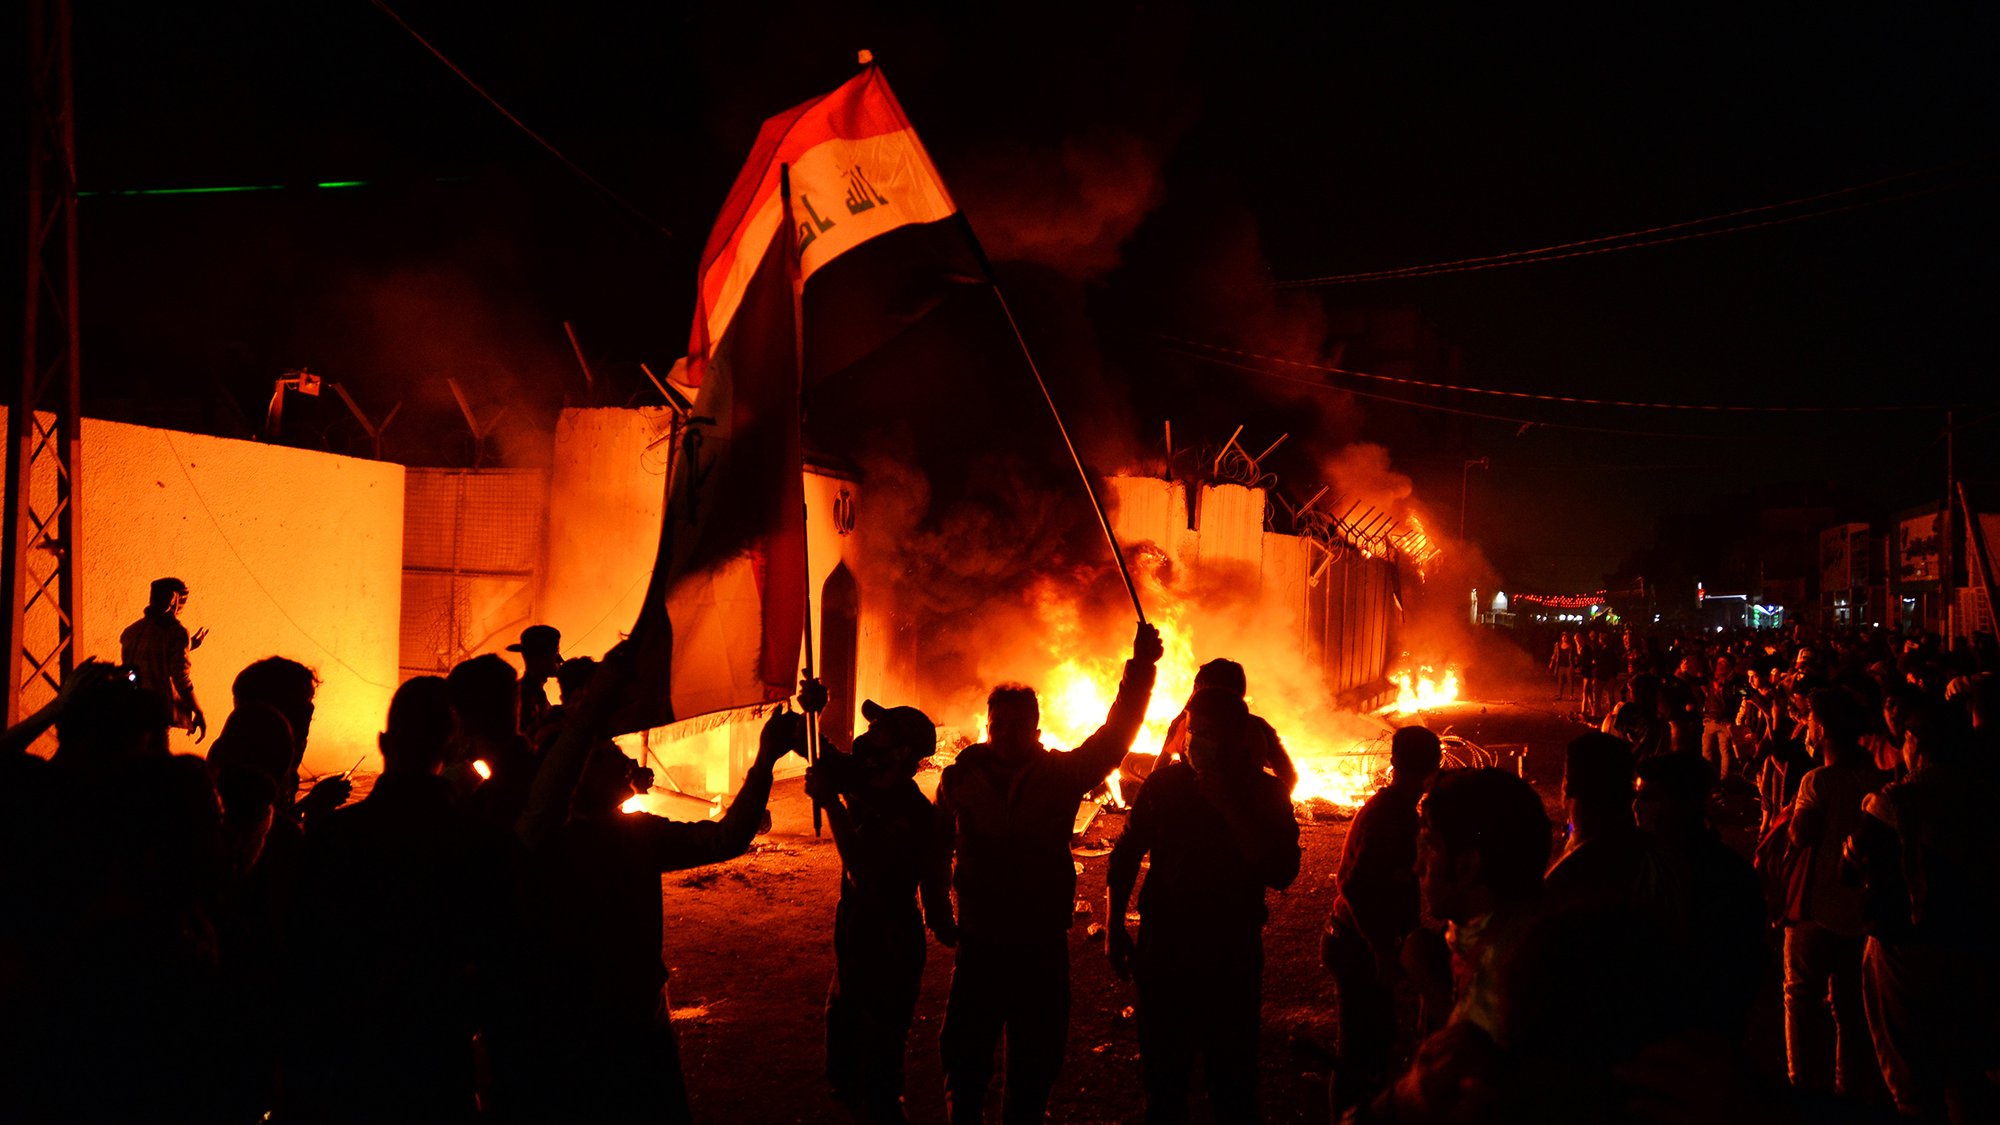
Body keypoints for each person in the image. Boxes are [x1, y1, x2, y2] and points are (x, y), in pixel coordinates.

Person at [509, 649, 804, 1123]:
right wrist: (764, 760)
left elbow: (725, 838)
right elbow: (726, 838)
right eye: (609, 759)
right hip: (610, 1020)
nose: (625, 764)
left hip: (599, 1015)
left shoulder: (555, 837)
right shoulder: (598, 838)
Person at [930, 622, 1161, 1125]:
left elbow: (1116, 735)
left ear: (1036, 729)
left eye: (1018, 726)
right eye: (999, 726)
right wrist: (935, 906)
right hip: (981, 942)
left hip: (1039, 944)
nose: (1007, 735)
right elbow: (934, 843)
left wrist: (1140, 671)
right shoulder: (961, 777)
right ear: (989, 728)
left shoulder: (1060, 776)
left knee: (1034, 1065)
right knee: (965, 1060)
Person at [285, 676, 509, 1123]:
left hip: (347, 1063)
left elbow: (302, 956)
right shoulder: (480, 843)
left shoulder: (332, 837)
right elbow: (498, 960)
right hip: (439, 1058)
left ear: (384, 742)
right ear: (452, 752)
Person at [1106, 687, 1299, 1124]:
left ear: (1233, 738)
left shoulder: (1264, 794)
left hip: (1230, 956)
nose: (1195, 742)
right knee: (1163, 1081)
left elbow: (1281, 871)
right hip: (1164, 953)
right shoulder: (1164, 785)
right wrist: (1114, 925)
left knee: (1231, 1083)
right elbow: (1125, 854)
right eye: (1192, 731)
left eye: (1207, 733)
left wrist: (1228, 808)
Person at [1358, 768, 1551, 1124]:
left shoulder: (1512, 973)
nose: (1416, 867)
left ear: (1467, 867)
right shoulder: (1515, 933)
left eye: (1428, 847)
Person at [805, 700, 947, 1125]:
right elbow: (818, 751)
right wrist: (813, 711)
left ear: (903, 752)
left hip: (889, 947)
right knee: (845, 1068)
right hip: (855, 937)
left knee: (879, 1076)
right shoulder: (869, 779)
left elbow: (864, 869)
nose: (870, 734)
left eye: (882, 729)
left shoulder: (912, 813)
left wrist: (830, 804)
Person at [1320, 724, 1442, 1113]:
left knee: (1376, 1036)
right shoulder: (1391, 817)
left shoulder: (1399, 810)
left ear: (1393, 762)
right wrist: (1380, 951)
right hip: (1354, 943)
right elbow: (1353, 885)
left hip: (1358, 939)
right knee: (1360, 1045)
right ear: (1433, 767)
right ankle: (1349, 1113)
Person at [1777, 688, 1890, 1098]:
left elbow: (1801, 834)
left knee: (1801, 997)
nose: (1806, 728)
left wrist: (1790, 814)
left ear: (1821, 729)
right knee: (1850, 1006)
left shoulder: (1817, 780)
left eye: (1808, 721)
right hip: (1862, 912)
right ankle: (1849, 1087)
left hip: (1816, 907)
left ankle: (1804, 1085)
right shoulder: (1879, 778)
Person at [1130, 658, 1296, 793]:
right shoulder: (1259, 727)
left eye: (1197, 687)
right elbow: (1288, 776)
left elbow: (1158, 770)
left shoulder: (1184, 724)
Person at [119, 576, 208, 744]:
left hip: (133, 709)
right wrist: (198, 711)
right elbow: (180, 677)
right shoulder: (176, 632)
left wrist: (189, 645)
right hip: (157, 711)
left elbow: (151, 655)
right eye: (182, 599)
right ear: (173, 598)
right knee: (158, 764)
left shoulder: (131, 631)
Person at [508, 624, 563, 736]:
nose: (560, 660)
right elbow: (525, 735)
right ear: (540, 658)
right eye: (555, 652)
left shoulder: (535, 691)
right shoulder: (522, 695)